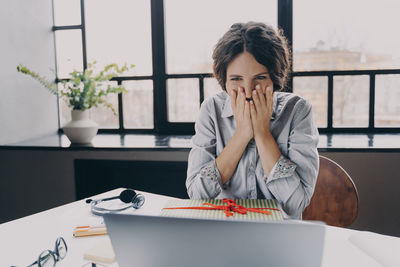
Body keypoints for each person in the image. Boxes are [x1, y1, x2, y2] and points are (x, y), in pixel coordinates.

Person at [186, 22, 319, 219]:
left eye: (260, 78)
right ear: (224, 81)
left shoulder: (298, 111)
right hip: (224, 230)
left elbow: (296, 202)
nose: (248, 91)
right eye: (236, 79)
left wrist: (262, 133)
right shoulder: (211, 110)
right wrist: (242, 135)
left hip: (279, 235)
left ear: (274, 78)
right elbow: (197, 194)